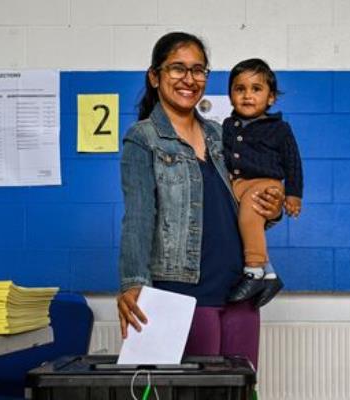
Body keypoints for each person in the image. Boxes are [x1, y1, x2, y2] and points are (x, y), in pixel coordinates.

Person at [116, 32, 284, 368]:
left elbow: (241, 196)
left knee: (241, 388)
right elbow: (139, 216)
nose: (189, 79)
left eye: (198, 70)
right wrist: (134, 282)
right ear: (155, 76)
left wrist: (273, 208)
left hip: (240, 289)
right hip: (183, 292)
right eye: (177, 69)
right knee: (195, 391)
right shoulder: (143, 138)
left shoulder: (219, 134)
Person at [222, 58, 303, 306]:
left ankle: (254, 270)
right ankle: (269, 274)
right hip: (238, 184)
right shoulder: (227, 125)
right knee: (241, 225)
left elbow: (293, 161)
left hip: (265, 183)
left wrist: (293, 195)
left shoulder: (279, 128)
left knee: (249, 215)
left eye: (256, 89)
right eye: (240, 89)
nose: (248, 95)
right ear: (231, 96)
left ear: (270, 98)